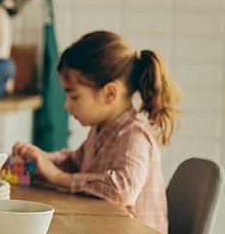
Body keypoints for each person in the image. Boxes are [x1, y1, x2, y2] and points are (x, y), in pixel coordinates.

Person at [12, 30, 181, 233]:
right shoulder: (100, 130)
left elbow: (123, 189)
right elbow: (76, 161)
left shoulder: (134, 135)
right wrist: (44, 158)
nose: (66, 105)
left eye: (73, 96)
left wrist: (57, 176)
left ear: (109, 93)